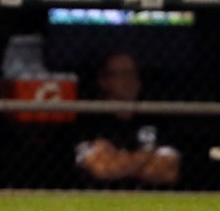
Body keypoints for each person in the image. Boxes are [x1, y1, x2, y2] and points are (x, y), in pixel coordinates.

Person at [74, 51, 181, 187]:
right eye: (121, 74)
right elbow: (103, 170)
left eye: (132, 73)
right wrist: (150, 154)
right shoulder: (91, 120)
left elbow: (169, 172)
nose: (128, 80)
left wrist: (118, 160)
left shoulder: (155, 117)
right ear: (103, 81)